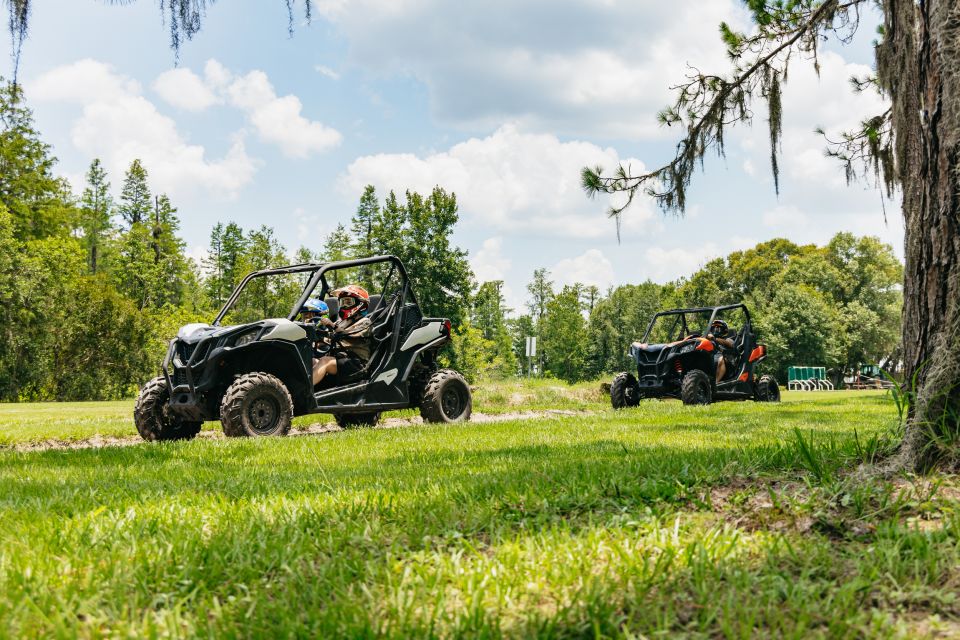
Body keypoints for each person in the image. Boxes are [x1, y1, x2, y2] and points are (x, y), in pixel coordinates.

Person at [310, 285, 374, 386]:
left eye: (348, 302)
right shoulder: (341, 322)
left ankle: (304, 393)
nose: (344, 305)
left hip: (356, 363)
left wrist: (331, 325)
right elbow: (330, 338)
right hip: (340, 359)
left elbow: (348, 335)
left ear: (360, 304)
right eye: (342, 302)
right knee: (311, 360)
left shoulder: (365, 322)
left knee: (325, 361)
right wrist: (314, 344)